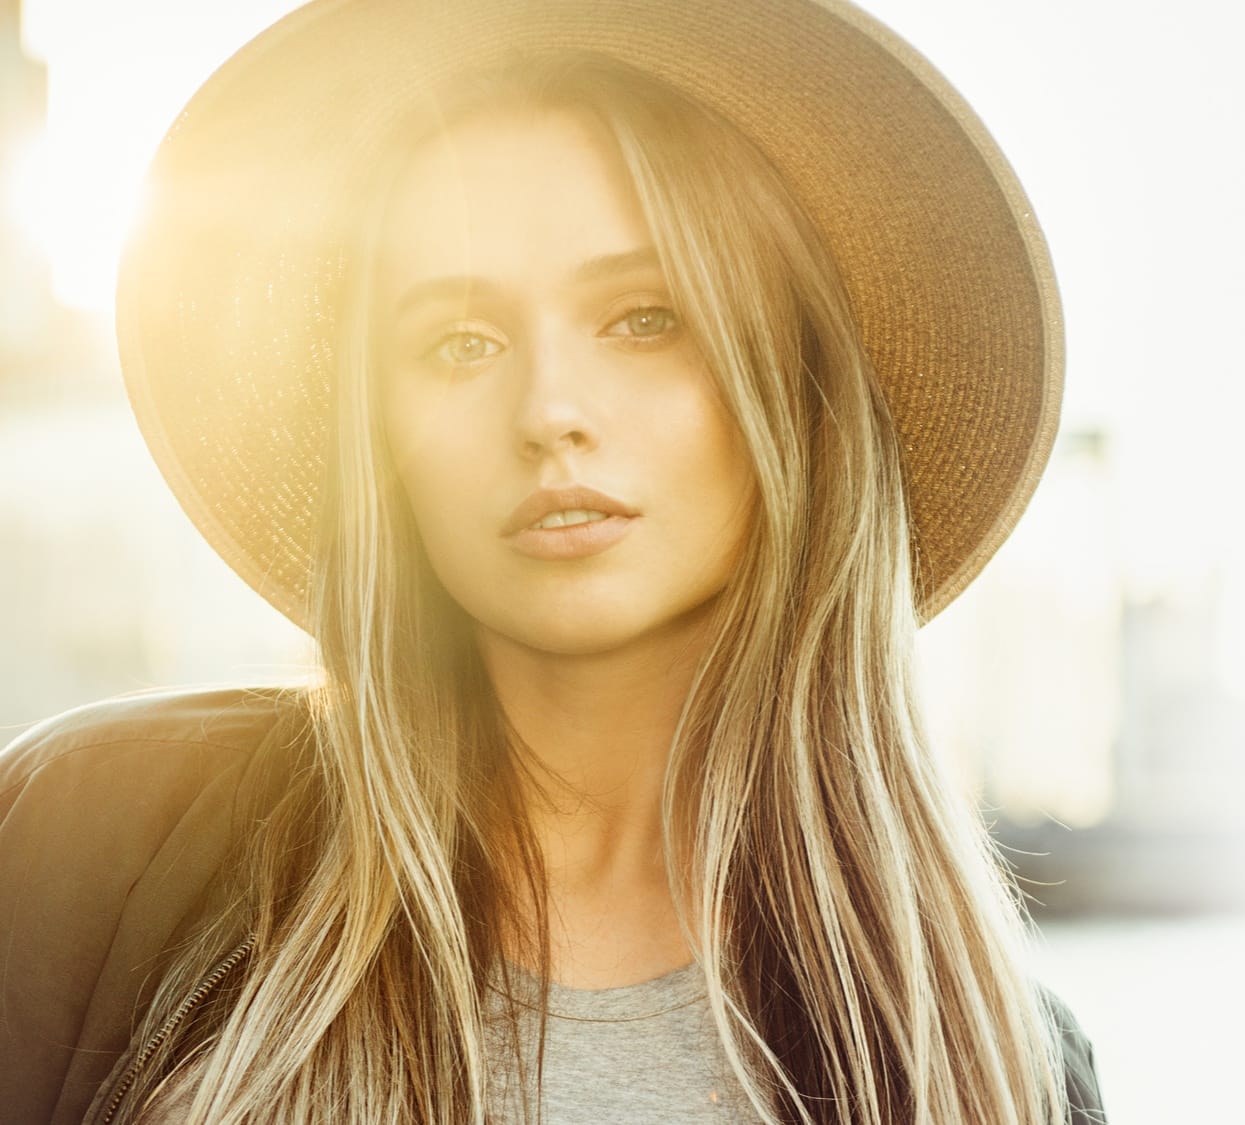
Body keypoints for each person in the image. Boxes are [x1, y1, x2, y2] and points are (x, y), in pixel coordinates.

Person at [0, 0, 1106, 1122]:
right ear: (380, 440)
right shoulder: (96, 842)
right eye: (459, 344)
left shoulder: (999, 1066)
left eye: (643, 318)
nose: (548, 411)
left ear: (795, 385)